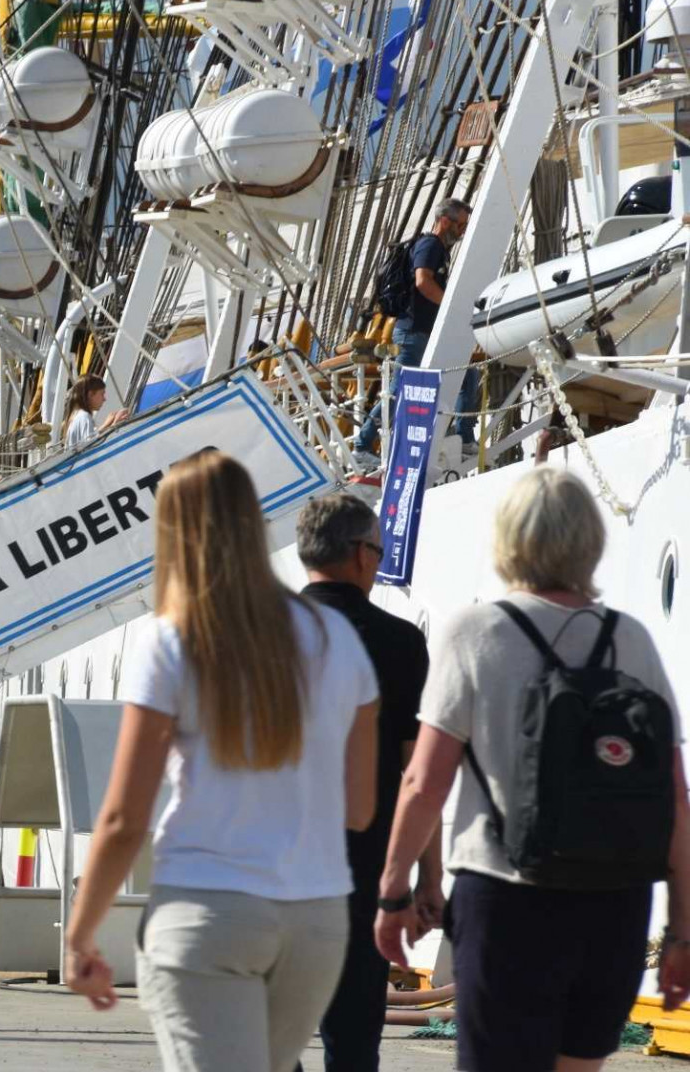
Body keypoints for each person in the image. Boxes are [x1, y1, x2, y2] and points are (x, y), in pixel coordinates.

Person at [62, 451, 380, 1072]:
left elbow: (126, 817)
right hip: (316, 918)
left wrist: (79, 936)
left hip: (208, 909)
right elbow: (361, 808)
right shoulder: (337, 639)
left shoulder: (174, 638)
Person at [375, 468, 690, 1071]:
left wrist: (395, 894)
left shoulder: (476, 632)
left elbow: (423, 782)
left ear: (507, 538)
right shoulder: (633, 640)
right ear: (590, 540)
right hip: (614, 902)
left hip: (506, 899)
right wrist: (679, 930)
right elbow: (675, 798)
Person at [293, 494, 442, 1072]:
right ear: (359, 555)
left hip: (271, 861)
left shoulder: (260, 631)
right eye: (378, 552)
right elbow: (416, 772)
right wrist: (427, 877)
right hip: (362, 867)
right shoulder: (399, 642)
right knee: (354, 1042)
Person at [357, 198, 479, 459]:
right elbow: (423, 282)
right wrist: (452, 306)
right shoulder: (430, 245)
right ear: (445, 220)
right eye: (461, 225)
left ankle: (464, 437)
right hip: (415, 333)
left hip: (428, 332)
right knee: (399, 388)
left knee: (467, 377)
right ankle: (363, 444)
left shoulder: (437, 249)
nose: (463, 231)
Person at [62, 374, 129, 449]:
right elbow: (92, 449)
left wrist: (106, 425)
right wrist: (114, 425)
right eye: (102, 394)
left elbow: (88, 440)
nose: (104, 399)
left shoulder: (77, 416)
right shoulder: (84, 417)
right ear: (90, 395)